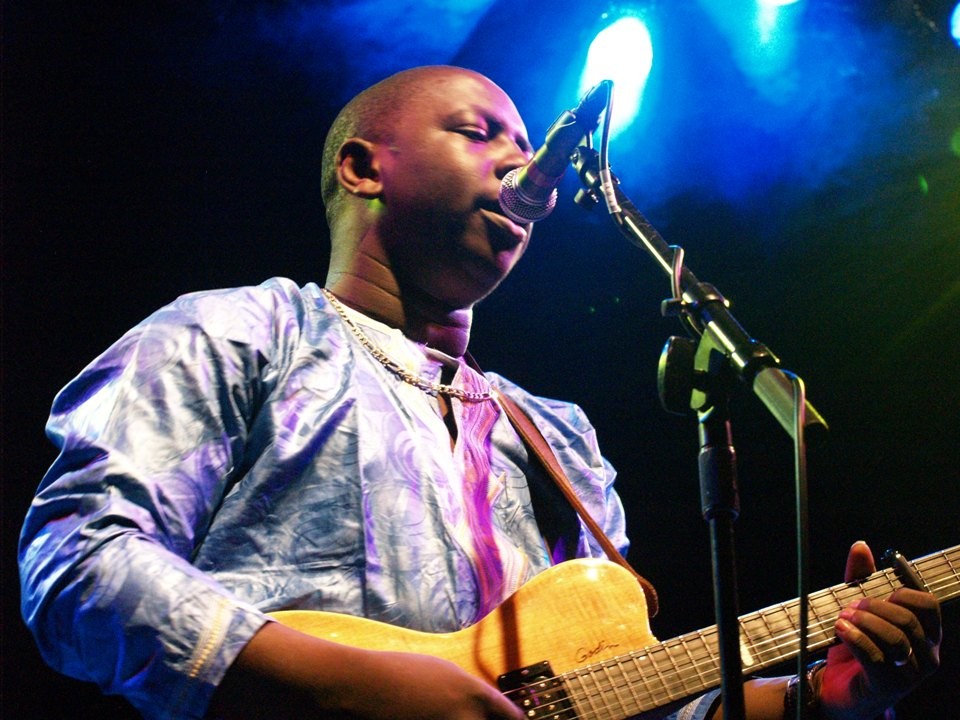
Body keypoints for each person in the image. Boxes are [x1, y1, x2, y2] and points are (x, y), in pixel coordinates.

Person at [19, 65, 941, 720]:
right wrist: (346, 684)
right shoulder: (238, 333)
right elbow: (78, 562)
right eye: (477, 132)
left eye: (524, 141)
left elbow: (617, 693)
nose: (520, 160)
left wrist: (820, 702)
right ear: (362, 168)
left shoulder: (557, 438)